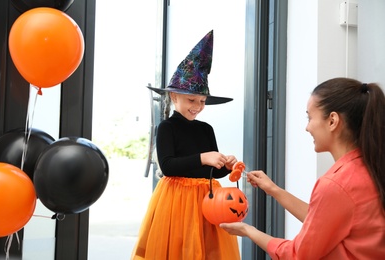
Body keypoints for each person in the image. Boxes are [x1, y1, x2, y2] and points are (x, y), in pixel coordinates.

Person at [220, 77, 385, 259]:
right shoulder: (368, 168)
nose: (307, 128)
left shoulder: (336, 184)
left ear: (332, 121)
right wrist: (273, 190)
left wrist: (248, 230)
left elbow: (298, 255)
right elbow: (322, 221)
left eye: (310, 117)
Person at [131, 30, 241, 260]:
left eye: (202, 102)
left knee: (206, 251)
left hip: (207, 202)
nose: (198, 106)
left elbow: (212, 171)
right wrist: (204, 157)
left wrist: (226, 166)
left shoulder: (206, 129)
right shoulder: (167, 128)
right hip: (176, 203)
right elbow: (168, 166)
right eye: (192, 100)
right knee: (178, 250)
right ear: (174, 97)